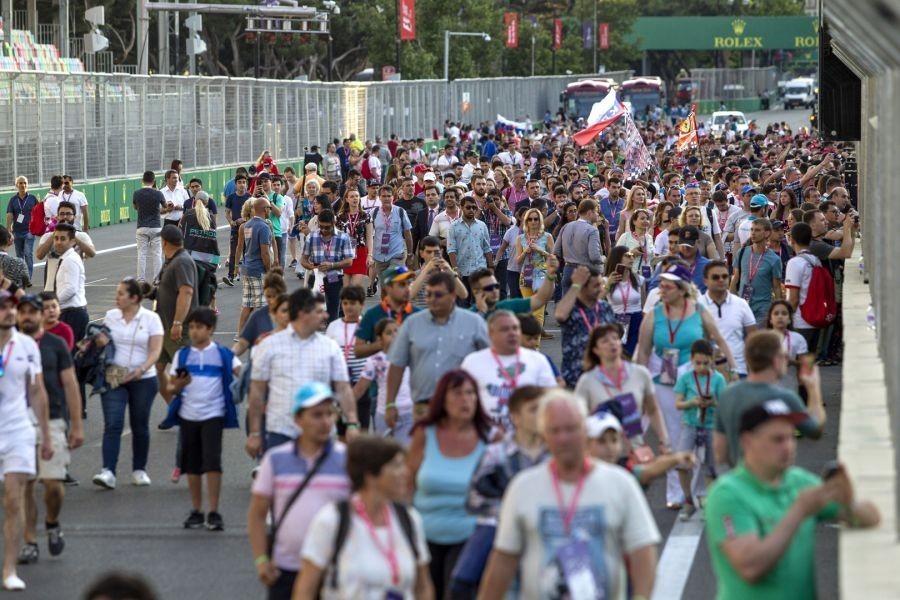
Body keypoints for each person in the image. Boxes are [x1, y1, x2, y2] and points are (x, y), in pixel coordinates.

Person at [478, 390, 660, 600]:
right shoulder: (522, 487)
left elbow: (642, 550)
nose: (563, 438)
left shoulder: (620, 484)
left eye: (571, 429)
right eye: (555, 430)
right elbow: (503, 559)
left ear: (584, 430)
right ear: (544, 435)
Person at [705, 401, 879, 599]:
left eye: (791, 438)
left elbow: (872, 518)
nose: (788, 447)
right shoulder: (727, 494)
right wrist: (799, 511)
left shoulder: (798, 481)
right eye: (777, 440)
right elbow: (750, 567)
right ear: (747, 441)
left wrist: (848, 502)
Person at [635, 263, 737, 508]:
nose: (661, 289)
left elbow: (719, 339)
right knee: (673, 435)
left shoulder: (699, 310)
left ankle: (699, 489)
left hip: (695, 377)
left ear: (681, 289)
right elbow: (644, 351)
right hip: (663, 379)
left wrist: (733, 370)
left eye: (667, 286)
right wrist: (640, 385)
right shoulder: (655, 314)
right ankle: (675, 493)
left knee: (698, 433)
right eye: (661, 285)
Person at [294, 436, 433, 599]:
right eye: (396, 466)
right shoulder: (332, 520)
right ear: (370, 475)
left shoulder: (409, 519)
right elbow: (305, 590)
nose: (405, 472)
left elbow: (423, 587)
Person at [248, 382, 351, 600]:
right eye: (317, 415)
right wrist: (261, 560)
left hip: (336, 570)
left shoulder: (347, 460)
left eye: (329, 413)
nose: (325, 421)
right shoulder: (276, 460)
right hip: (286, 569)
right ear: (298, 419)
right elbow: (257, 514)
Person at [454, 386, 548, 598]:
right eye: (534, 409)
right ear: (515, 417)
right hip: (500, 526)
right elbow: (474, 499)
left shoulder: (555, 455)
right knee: (463, 579)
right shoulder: (496, 454)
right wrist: (512, 512)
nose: (541, 415)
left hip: (546, 526)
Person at [246, 288, 359, 457]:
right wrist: (255, 433)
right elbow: (257, 392)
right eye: (319, 311)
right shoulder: (269, 346)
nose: (326, 315)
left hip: (321, 434)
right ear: (302, 314)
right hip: (281, 432)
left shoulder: (330, 347)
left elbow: (343, 388)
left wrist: (352, 423)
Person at [407, 370, 489, 600]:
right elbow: (407, 484)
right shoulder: (425, 433)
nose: (466, 400)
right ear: (442, 399)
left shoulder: (489, 437)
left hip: (469, 535)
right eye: (458, 393)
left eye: (470, 393)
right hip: (425, 534)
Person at [16, 294, 83, 565]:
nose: (28, 316)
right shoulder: (9, 345)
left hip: (53, 419)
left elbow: (71, 385)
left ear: (41, 316)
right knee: (25, 486)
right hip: (18, 423)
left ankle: (52, 522)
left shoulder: (55, 345)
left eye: (34, 312)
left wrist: (76, 425)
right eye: (23, 312)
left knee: (53, 485)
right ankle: (30, 541)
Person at [164, 308, 241, 531]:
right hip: (188, 416)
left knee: (213, 463)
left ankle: (213, 511)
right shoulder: (182, 355)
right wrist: (177, 386)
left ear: (210, 329)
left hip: (213, 415)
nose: (194, 332)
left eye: (199, 327)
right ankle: (197, 510)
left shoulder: (223, 354)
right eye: (191, 327)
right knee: (193, 465)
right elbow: (171, 386)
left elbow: (243, 374)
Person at [0, 290, 52, 592]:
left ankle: (9, 569)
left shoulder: (27, 345)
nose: (9, 312)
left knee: (12, 500)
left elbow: (37, 390)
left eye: (11, 307)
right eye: (3, 308)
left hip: (18, 429)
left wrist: (45, 435)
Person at [91, 279, 164, 490]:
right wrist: (98, 342)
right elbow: (105, 344)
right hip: (114, 375)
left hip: (143, 378)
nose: (117, 297)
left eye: (121, 293)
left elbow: (155, 351)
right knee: (113, 423)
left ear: (134, 298)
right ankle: (108, 471)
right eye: (117, 293)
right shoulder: (111, 316)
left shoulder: (151, 319)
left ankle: (139, 470)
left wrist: (141, 369)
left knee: (139, 424)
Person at [714, 330, 826, 467]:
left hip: (739, 475)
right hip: (773, 477)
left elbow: (720, 453)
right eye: (784, 355)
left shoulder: (727, 395)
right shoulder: (785, 399)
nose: (786, 359)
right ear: (776, 360)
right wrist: (813, 388)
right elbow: (815, 430)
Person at [386, 272, 489, 418]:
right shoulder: (412, 324)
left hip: (463, 406)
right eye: (428, 294)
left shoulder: (474, 323)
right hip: (423, 408)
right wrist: (390, 404)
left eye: (438, 295)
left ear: (452, 295)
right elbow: (397, 365)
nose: (432, 299)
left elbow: (490, 360)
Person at [575, 322, 670, 454]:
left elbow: (653, 410)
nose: (612, 343)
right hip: (602, 453)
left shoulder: (640, 373)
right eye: (605, 341)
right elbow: (578, 419)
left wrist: (664, 439)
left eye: (615, 338)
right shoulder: (587, 381)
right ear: (595, 350)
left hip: (634, 450)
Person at [460, 310, 557, 430]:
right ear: (490, 333)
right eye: (505, 329)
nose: (512, 333)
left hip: (528, 434)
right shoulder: (472, 362)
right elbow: (462, 401)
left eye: (515, 328)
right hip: (487, 434)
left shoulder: (538, 360)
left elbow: (551, 398)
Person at [673, 339, 727, 520]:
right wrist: (692, 402)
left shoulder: (718, 379)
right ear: (691, 360)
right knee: (682, 463)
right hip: (690, 424)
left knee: (710, 466)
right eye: (698, 363)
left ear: (712, 360)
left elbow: (725, 406)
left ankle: (710, 503)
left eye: (706, 363)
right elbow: (678, 404)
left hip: (711, 426)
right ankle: (688, 500)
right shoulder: (686, 378)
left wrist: (713, 402)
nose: (702, 367)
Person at [586, 411, 695, 489]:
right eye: (601, 441)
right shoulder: (579, 477)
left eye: (614, 440)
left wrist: (677, 458)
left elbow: (649, 470)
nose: (609, 447)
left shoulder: (624, 471)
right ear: (586, 444)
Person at [154, 225, 198, 403]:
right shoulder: (171, 261)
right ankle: (174, 408)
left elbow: (186, 292)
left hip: (179, 329)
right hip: (165, 327)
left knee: (183, 374)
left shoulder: (182, 262)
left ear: (164, 242)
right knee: (157, 370)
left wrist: (178, 323)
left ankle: (191, 410)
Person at [353, 319, 414, 443]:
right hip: (384, 413)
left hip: (408, 413)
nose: (394, 335)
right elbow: (360, 388)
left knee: (406, 451)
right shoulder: (375, 360)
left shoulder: (410, 356)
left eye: (397, 331)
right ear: (380, 339)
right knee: (384, 450)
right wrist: (343, 405)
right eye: (389, 333)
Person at [555, 265, 616, 389]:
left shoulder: (605, 307)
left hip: (603, 377)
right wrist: (575, 285)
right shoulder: (571, 308)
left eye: (601, 284)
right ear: (582, 287)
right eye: (596, 286)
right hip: (576, 378)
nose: (601, 289)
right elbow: (560, 315)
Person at [700, 260, 758, 378]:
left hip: (738, 369)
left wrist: (751, 366)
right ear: (705, 281)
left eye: (725, 276)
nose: (721, 280)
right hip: (705, 370)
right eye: (715, 277)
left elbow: (753, 337)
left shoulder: (741, 304)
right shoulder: (697, 305)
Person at [354, 265, 420, 359]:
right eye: (402, 285)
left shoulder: (418, 314)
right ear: (388, 288)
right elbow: (358, 351)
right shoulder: (372, 314)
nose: (407, 289)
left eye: (408, 284)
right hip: (382, 366)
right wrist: (382, 344)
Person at [300, 209, 355, 322]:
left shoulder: (343, 237)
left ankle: (331, 330)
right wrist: (312, 267)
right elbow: (303, 259)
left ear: (333, 223)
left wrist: (332, 265)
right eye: (321, 227)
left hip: (334, 276)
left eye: (327, 227)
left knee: (332, 313)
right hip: (315, 277)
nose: (324, 230)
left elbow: (349, 261)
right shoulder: (312, 236)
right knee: (312, 314)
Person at [467, 257, 558, 320]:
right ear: (476, 292)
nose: (495, 290)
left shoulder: (507, 307)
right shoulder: (468, 318)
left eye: (496, 286)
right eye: (489, 288)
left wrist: (550, 274)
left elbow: (540, 299)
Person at [731, 218, 784, 325]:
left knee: (758, 335)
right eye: (752, 229)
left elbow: (777, 287)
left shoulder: (774, 259)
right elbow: (735, 279)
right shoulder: (742, 252)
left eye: (757, 230)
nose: (753, 233)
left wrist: (779, 311)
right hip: (742, 306)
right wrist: (731, 303)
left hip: (763, 308)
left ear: (767, 233)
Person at [237, 197, 275, 335]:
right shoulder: (264, 227)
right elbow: (265, 252)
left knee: (247, 304)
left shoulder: (247, 225)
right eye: (269, 207)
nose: (270, 210)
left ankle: (240, 334)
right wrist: (269, 271)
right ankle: (261, 334)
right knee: (262, 305)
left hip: (247, 267)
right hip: (258, 269)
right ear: (265, 209)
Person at [553, 199, 605, 294]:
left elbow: (556, 251)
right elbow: (594, 256)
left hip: (567, 271)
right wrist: (604, 260)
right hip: (584, 273)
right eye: (596, 211)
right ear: (590, 213)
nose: (598, 214)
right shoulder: (592, 230)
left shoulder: (566, 226)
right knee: (584, 303)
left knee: (567, 302)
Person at [514, 208, 555, 326]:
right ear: (526, 221)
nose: (533, 222)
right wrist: (525, 252)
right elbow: (518, 261)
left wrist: (540, 250)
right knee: (529, 311)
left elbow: (554, 258)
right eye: (530, 219)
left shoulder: (547, 236)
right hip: (526, 275)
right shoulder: (520, 238)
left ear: (540, 221)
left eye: (536, 219)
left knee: (539, 312)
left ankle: (536, 339)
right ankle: (531, 336)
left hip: (541, 274)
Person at [232, 270, 287, 355]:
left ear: (282, 293)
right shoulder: (258, 316)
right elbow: (242, 343)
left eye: (274, 296)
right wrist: (228, 355)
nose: (271, 300)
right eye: (268, 296)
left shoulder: (292, 314)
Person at [448, 196, 493, 299]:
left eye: (474, 207)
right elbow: (451, 250)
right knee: (464, 301)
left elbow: (487, 248)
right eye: (468, 207)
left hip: (480, 270)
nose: (471, 210)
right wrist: (455, 268)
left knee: (480, 301)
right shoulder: (453, 227)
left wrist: (491, 267)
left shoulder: (482, 225)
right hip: (462, 271)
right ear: (461, 207)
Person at [604, 246, 645, 357]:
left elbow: (644, 305)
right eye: (628, 256)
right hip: (615, 319)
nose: (632, 258)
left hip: (636, 319)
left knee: (632, 356)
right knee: (617, 355)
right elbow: (596, 301)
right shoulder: (606, 280)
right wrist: (608, 284)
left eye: (632, 256)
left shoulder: (638, 279)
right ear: (617, 258)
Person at [765, 299, 810, 393]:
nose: (780, 317)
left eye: (784, 313)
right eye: (776, 313)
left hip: (790, 389)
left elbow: (808, 365)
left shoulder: (798, 338)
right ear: (770, 319)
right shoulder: (762, 339)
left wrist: (791, 362)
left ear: (789, 319)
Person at [370, 185, 414, 280]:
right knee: (384, 285)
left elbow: (408, 233)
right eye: (384, 196)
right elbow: (369, 234)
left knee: (394, 281)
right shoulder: (373, 213)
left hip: (396, 254)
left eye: (389, 196)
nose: (386, 198)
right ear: (379, 197)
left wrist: (410, 254)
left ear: (393, 197)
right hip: (379, 256)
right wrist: (369, 254)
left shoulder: (400, 212)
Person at [336, 189, 374, 290]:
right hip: (344, 254)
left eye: (357, 196)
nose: (355, 198)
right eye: (352, 196)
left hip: (360, 252)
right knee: (345, 288)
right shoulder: (340, 217)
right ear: (347, 199)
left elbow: (369, 237)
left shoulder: (366, 216)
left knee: (355, 287)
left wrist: (370, 255)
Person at [132, 170, 167, 283]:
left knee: (141, 254)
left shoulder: (137, 193)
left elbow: (135, 207)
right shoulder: (158, 193)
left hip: (141, 226)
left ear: (142, 180)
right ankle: (157, 279)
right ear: (154, 181)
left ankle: (141, 280)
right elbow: (165, 207)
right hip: (155, 226)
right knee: (157, 254)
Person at [6, 175, 38, 280]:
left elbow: (38, 213)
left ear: (27, 185)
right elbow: (9, 214)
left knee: (28, 253)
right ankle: (21, 277)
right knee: (19, 256)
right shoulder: (13, 200)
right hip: (17, 232)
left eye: (25, 183)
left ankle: (28, 278)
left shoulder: (33, 198)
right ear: (16, 185)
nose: (23, 185)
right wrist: (8, 230)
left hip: (29, 231)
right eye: (20, 183)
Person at [223, 173, 252, 286]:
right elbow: (227, 213)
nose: (242, 185)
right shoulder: (231, 197)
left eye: (244, 182)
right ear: (235, 184)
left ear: (246, 184)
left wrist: (244, 219)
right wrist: (231, 222)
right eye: (239, 182)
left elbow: (253, 213)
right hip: (235, 229)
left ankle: (247, 275)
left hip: (248, 228)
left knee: (247, 252)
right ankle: (231, 276)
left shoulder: (249, 197)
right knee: (233, 252)